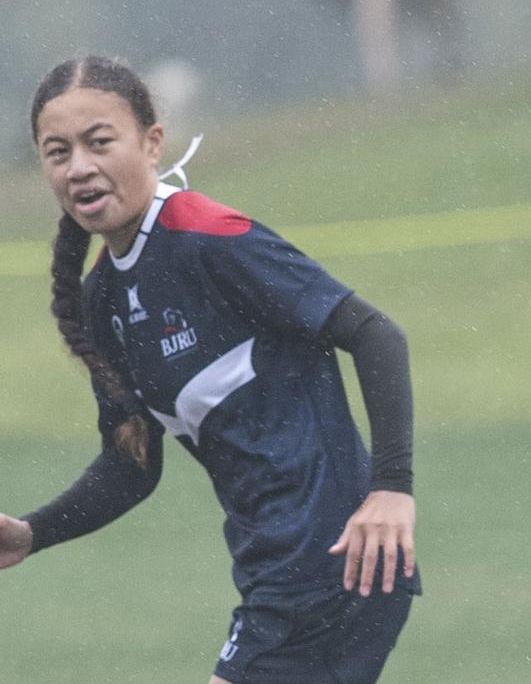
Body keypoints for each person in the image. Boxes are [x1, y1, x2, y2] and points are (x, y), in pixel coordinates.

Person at [0, 55, 421, 684]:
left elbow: (375, 334)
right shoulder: (104, 300)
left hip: (332, 563)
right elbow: (130, 463)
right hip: (275, 569)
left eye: (99, 142)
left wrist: (391, 490)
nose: (79, 166)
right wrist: (35, 532)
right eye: (57, 151)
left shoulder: (209, 237)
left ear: (151, 143)